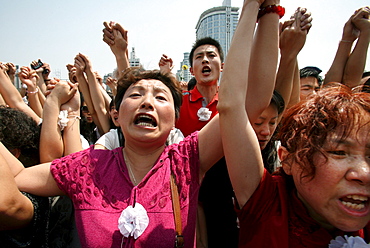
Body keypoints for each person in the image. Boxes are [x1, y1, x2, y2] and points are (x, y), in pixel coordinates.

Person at [6, 66, 226, 247]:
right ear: (117, 116)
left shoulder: (187, 160)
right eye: (135, 95)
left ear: (175, 119)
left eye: (160, 97)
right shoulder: (88, 167)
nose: (147, 102)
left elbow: (240, 102)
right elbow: (17, 177)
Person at [219, 3, 370, 248]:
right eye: (339, 152)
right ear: (287, 159)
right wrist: (255, 7)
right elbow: (232, 105)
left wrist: (356, 39)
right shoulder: (267, 201)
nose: (363, 173)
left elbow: (345, 90)